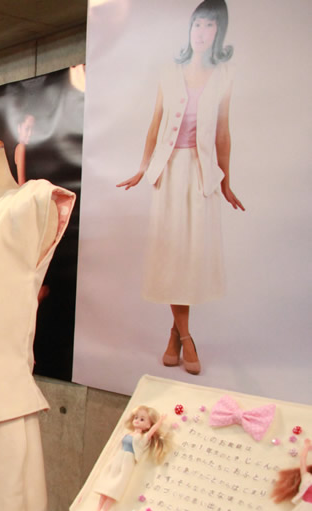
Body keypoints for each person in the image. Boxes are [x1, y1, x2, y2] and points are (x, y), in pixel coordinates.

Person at [117, 0, 244, 375]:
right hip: (169, 173)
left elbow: (223, 134)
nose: (202, 32)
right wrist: (143, 168)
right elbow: (155, 124)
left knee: (189, 258)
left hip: (200, 175)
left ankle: (174, 334)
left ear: (219, 31)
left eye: (210, 25)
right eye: (197, 24)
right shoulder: (169, 72)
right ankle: (187, 339)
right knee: (171, 254)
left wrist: (226, 182)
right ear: (189, 29)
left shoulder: (225, 76)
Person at [92, 405, 170, 511]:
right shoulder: (128, 434)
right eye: (136, 417)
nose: (137, 420)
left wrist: (160, 421)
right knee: (105, 486)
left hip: (127, 461)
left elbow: (152, 431)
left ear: (148, 425)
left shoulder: (142, 438)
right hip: (117, 459)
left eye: (142, 419)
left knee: (115, 487)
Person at [13, 113, 35, 185]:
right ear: (19, 128)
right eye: (27, 129)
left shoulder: (26, 148)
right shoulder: (21, 147)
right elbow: (22, 184)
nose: (30, 134)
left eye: (32, 129)